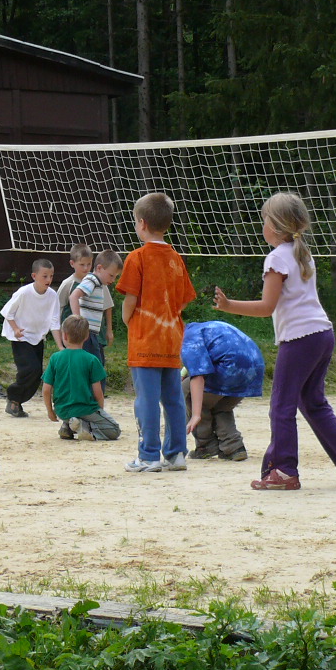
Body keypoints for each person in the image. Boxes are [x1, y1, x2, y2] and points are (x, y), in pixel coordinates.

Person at [214, 192, 336, 491]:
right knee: (312, 402)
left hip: (301, 338)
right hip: (322, 334)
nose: (262, 225)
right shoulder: (302, 252)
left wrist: (228, 305)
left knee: (281, 406)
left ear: (274, 226)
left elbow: (266, 307)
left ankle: (284, 471)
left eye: (264, 220)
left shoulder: (277, 258)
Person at [116, 193, 197, 473]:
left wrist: (127, 319)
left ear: (142, 223)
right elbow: (184, 300)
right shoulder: (176, 258)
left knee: (147, 400)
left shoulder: (136, 258)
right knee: (173, 398)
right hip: (171, 338)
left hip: (145, 339)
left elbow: (130, 298)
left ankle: (149, 455)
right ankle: (176, 454)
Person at [180, 320, 265, 461]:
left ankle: (206, 445)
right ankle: (234, 447)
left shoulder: (188, 338)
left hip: (230, 369)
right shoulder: (204, 329)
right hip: (254, 369)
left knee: (187, 391)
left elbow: (198, 376)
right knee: (221, 406)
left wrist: (196, 415)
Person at [0, 259, 61, 417]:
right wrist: (15, 329)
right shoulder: (24, 292)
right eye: (45, 276)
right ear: (34, 276)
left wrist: (61, 346)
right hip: (21, 337)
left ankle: (16, 402)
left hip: (38, 337)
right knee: (29, 368)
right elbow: (7, 312)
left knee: (37, 373)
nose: (48, 280)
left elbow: (55, 322)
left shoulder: (53, 295)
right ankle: (13, 398)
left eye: (51, 276)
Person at [43, 315, 121, 440]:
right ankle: (86, 428)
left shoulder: (55, 358)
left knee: (73, 415)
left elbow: (46, 389)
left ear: (64, 336)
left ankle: (67, 425)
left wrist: (50, 411)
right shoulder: (91, 359)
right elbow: (98, 392)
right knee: (114, 430)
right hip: (85, 409)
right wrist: (100, 411)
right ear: (86, 336)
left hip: (62, 410)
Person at [70, 249, 121, 371]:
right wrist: (78, 321)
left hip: (93, 333)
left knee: (97, 365)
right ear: (99, 268)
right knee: (95, 368)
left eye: (115, 277)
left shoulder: (99, 284)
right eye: (111, 275)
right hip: (87, 333)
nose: (113, 280)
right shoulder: (91, 280)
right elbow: (74, 296)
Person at [54, 244, 93, 325]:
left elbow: (107, 306)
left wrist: (109, 329)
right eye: (82, 264)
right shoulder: (67, 284)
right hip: (72, 329)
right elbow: (57, 308)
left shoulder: (96, 281)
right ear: (72, 263)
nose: (86, 268)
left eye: (89, 264)